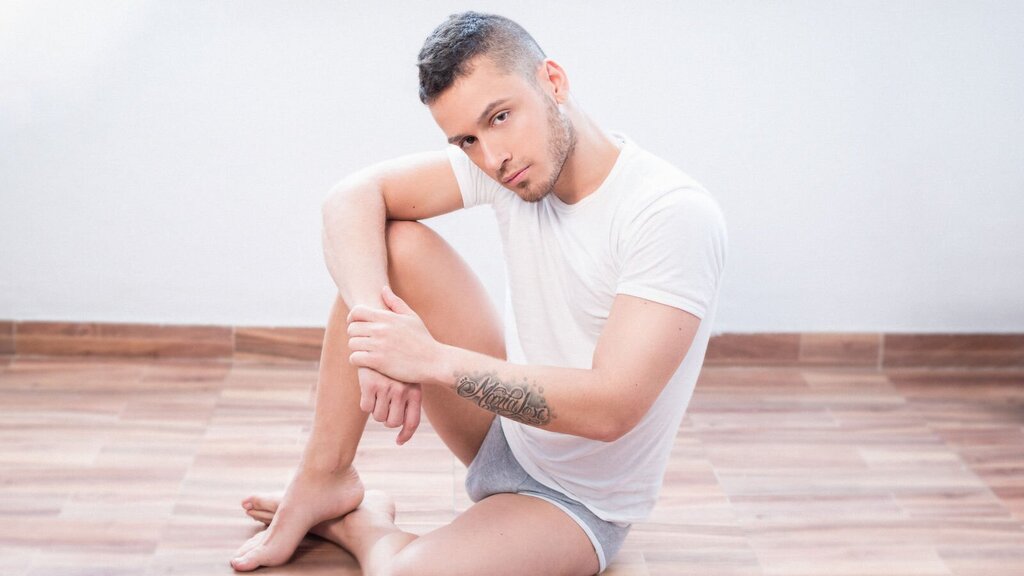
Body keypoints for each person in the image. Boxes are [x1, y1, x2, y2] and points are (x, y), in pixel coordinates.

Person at [230, 11, 727, 576]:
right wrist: (378, 339)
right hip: (502, 431)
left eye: (500, 117)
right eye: (467, 139)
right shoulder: (509, 167)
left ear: (553, 81)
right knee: (387, 247)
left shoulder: (670, 213)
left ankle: (362, 524)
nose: (492, 158)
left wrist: (430, 360)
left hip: (579, 503)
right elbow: (350, 197)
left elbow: (611, 409)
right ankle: (324, 478)